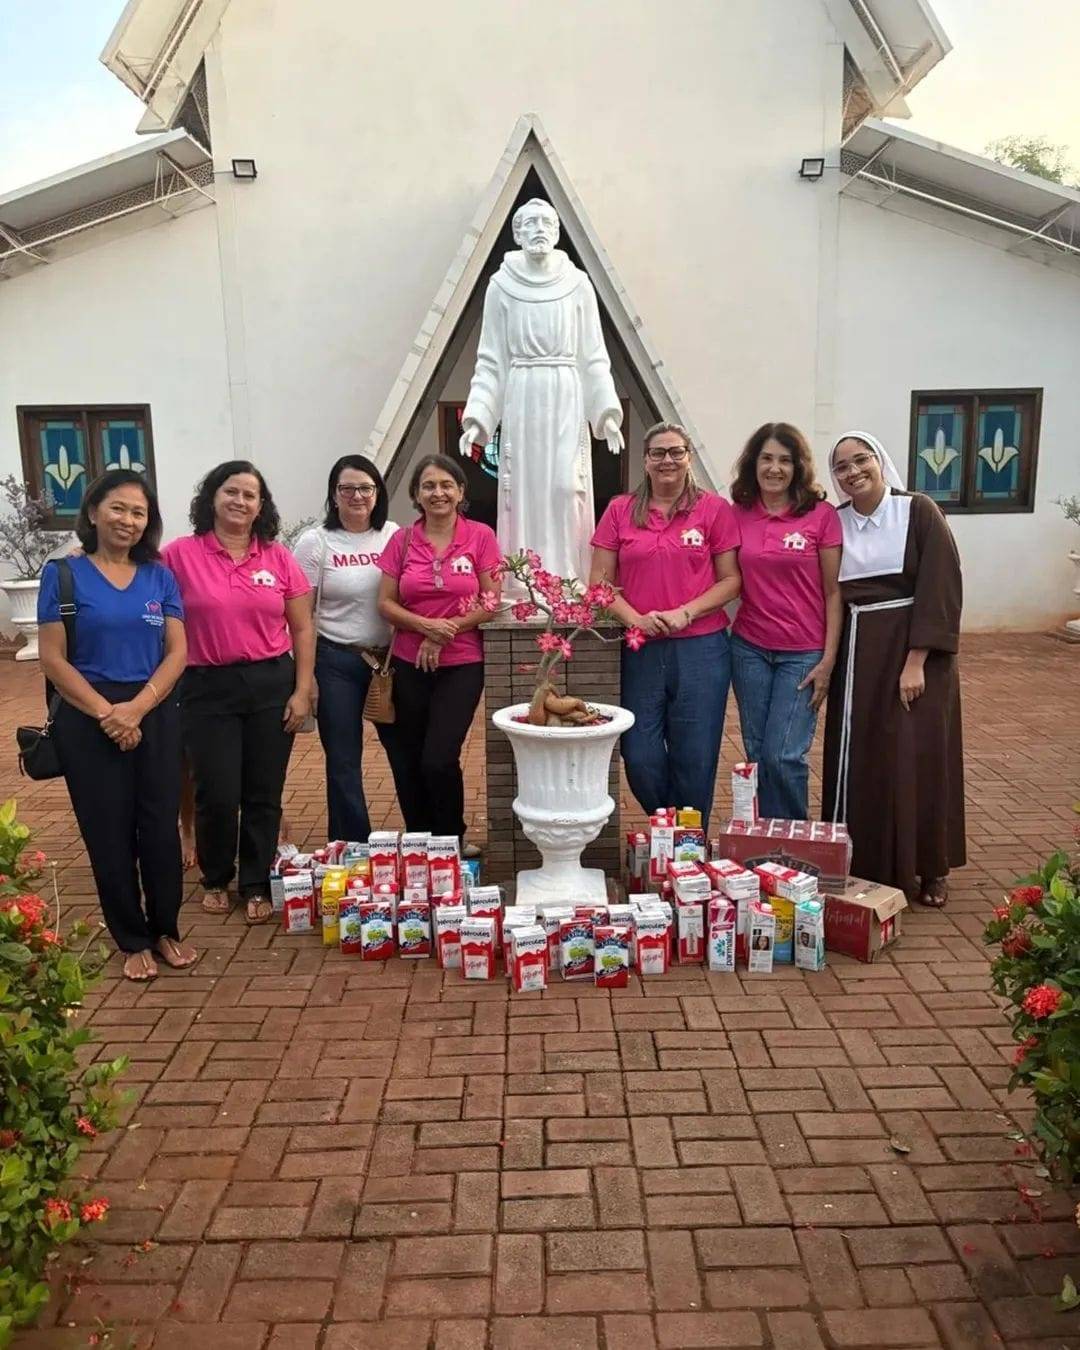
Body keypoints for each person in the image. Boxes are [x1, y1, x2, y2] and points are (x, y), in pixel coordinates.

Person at [38, 470, 194, 982]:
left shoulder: (159, 576)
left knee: (159, 828)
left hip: (153, 711)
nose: (128, 520)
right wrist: (109, 713)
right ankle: (130, 938)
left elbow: (177, 652)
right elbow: (54, 660)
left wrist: (138, 708)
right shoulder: (62, 574)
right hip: (88, 716)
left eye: (139, 512)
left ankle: (165, 928)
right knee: (108, 830)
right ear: (93, 511)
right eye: (119, 508)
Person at [162, 461, 314, 923]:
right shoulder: (178, 555)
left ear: (261, 506)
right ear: (211, 497)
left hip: (271, 682)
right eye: (231, 491)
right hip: (206, 686)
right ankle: (214, 877)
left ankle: (255, 883)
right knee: (217, 791)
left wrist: (302, 689)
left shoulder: (277, 557)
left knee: (264, 792)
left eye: (251, 495)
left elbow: (303, 627)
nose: (240, 501)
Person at [822, 432, 965, 907]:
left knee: (917, 757)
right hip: (859, 654)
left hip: (913, 655)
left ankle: (930, 869)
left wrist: (917, 661)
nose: (852, 471)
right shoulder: (835, 522)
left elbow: (941, 584)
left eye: (861, 460)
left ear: (880, 461)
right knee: (864, 759)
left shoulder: (918, 510)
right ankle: (869, 864)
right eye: (841, 466)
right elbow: (831, 595)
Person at [459, 197, 624, 583]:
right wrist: (478, 417)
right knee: (525, 494)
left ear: (557, 231)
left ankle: (569, 580)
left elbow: (593, 355)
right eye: (529, 222)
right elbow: (491, 359)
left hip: (567, 392)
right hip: (523, 392)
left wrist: (607, 414)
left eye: (546, 222)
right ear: (517, 234)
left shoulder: (577, 284)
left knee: (569, 488)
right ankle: (525, 583)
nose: (538, 229)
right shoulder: (501, 286)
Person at [589, 421, 741, 829]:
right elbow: (599, 585)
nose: (667, 460)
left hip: (702, 648)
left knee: (696, 754)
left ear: (688, 456)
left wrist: (686, 611)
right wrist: (634, 619)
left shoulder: (713, 510)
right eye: (658, 453)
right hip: (640, 647)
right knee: (639, 753)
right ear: (645, 460)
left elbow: (731, 580)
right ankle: (669, 827)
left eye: (676, 451)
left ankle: (686, 849)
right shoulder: (621, 510)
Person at [376, 454, 501, 848]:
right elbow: (386, 603)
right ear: (416, 494)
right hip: (407, 663)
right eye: (428, 486)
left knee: (439, 756)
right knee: (410, 758)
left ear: (461, 491)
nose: (438, 492)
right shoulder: (403, 540)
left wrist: (444, 632)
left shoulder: (480, 536)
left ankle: (450, 838)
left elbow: (492, 600)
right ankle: (420, 840)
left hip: (462, 662)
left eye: (447, 485)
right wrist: (424, 626)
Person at [729, 422, 842, 820]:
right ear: (753, 463)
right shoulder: (737, 515)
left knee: (784, 754)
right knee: (759, 751)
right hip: (749, 649)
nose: (774, 468)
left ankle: (796, 846)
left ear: (798, 467)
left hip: (803, 653)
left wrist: (828, 660)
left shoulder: (821, 516)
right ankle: (766, 846)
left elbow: (833, 592)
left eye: (784, 460)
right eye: (766, 458)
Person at [293, 455, 399, 842]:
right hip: (336, 659)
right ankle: (354, 844)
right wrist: (307, 681)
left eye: (366, 487)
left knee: (403, 752)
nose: (357, 495)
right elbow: (299, 614)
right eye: (347, 488)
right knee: (343, 759)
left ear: (378, 493)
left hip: (388, 661)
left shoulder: (394, 535)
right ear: (334, 495)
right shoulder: (315, 542)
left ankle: (426, 834)